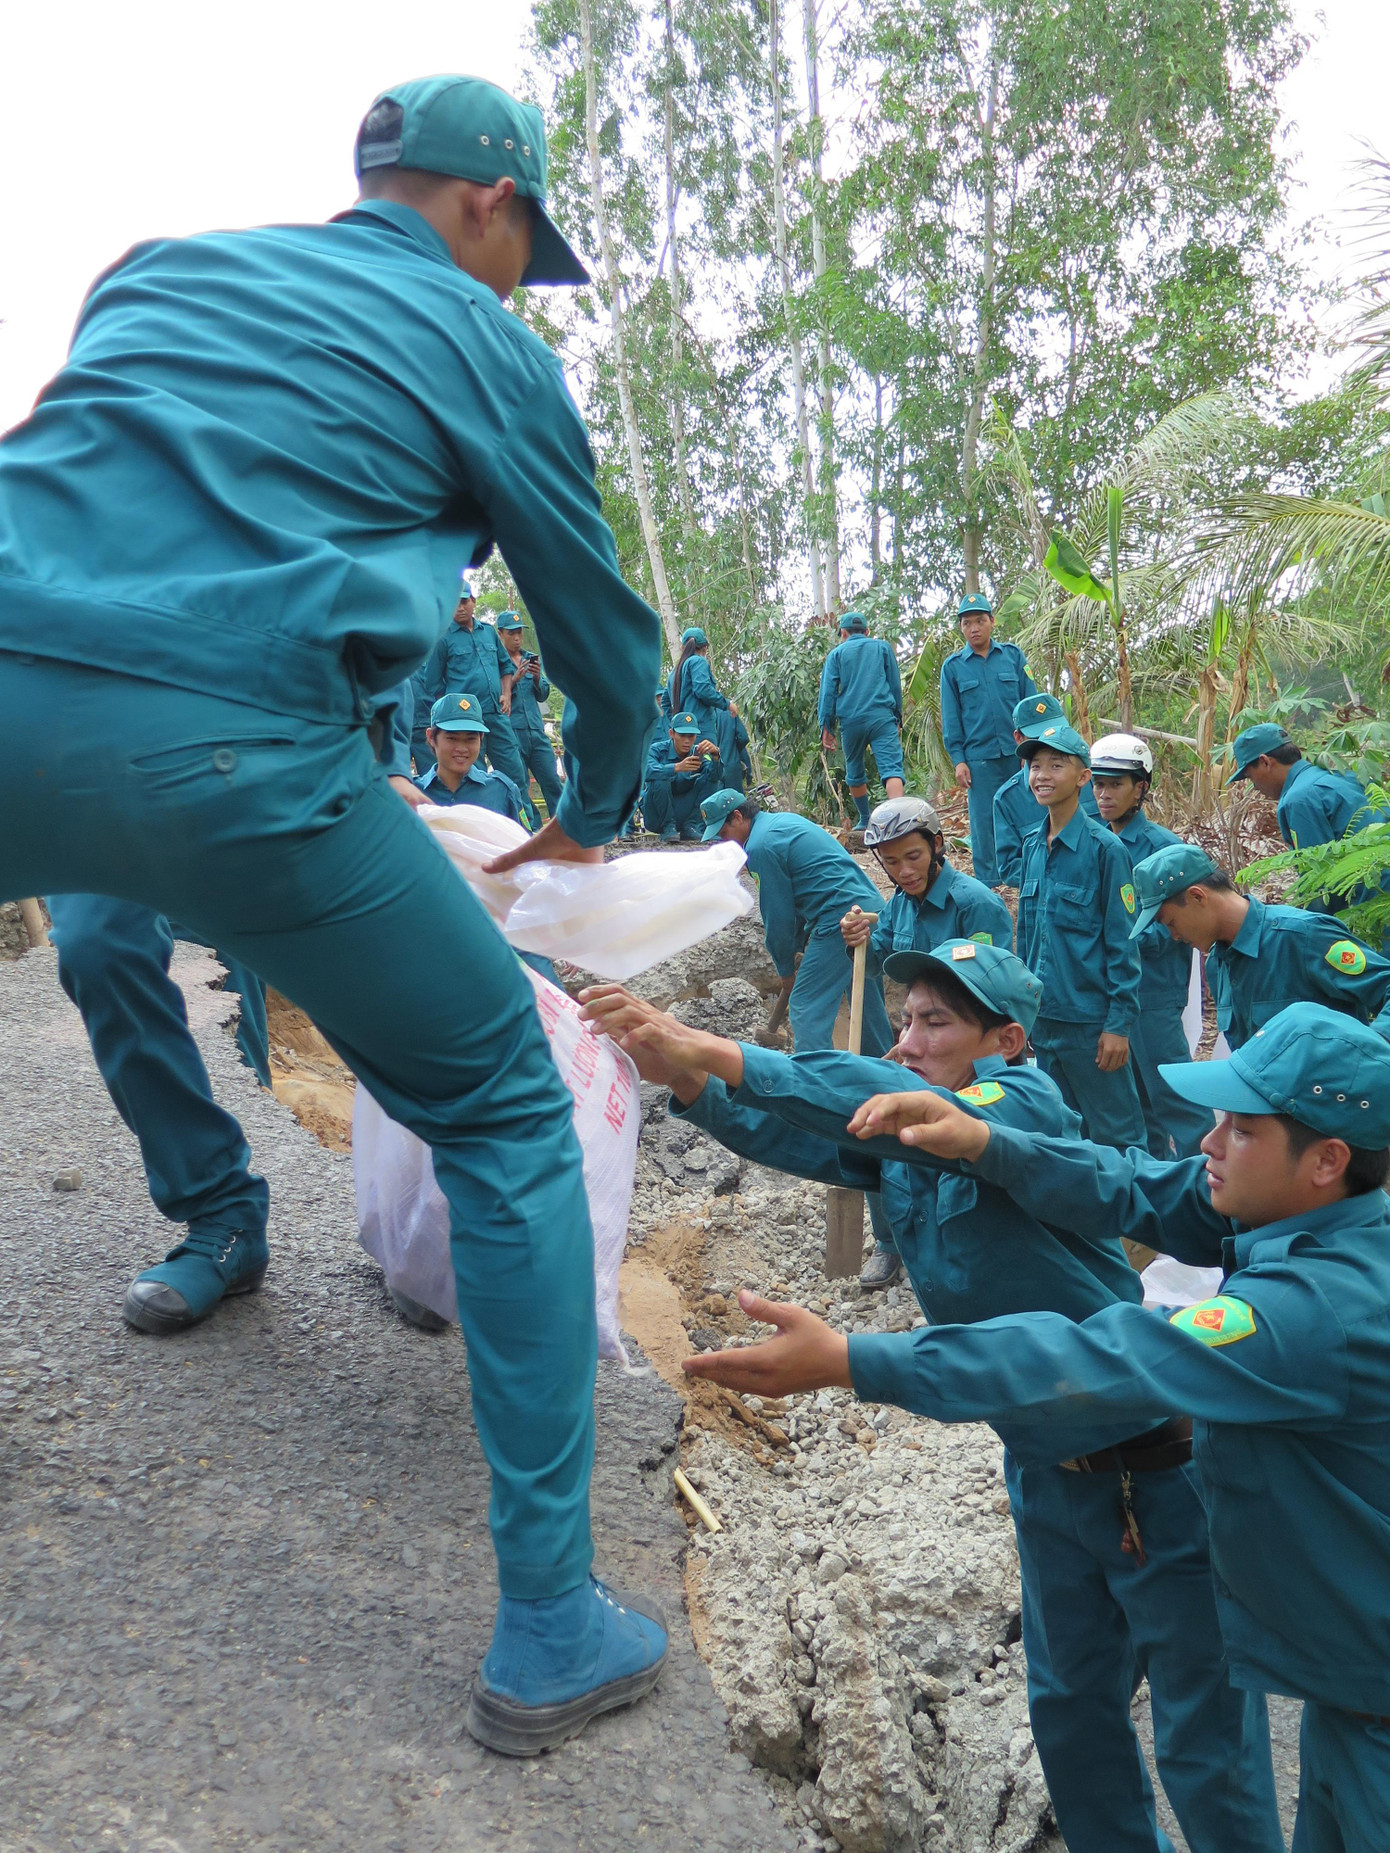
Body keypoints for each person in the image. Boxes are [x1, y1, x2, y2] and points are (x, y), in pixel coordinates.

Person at [0, 74, 669, 1752]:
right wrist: (587, 817)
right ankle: (547, 1626)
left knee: (96, 927)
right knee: (508, 1110)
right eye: (527, 249)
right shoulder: (487, 338)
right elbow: (604, 645)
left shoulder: (153, 268)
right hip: (233, 733)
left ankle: (218, 1211)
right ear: (488, 207)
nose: (521, 282)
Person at [579, 954, 1283, 1853]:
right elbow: (805, 1136)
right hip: (1045, 1475)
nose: (909, 1043)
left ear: (1007, 1042)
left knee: (1205, 1747)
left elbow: (880, 1097)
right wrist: (692, 1080)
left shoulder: (1020, 1107)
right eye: (904, 1022)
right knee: (1071, 1715)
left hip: (1154, 1478)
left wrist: (717, 1049)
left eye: (937, 1024)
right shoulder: (907, 1151)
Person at [693, 1002, 1390, 1853]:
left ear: (1327, 1161)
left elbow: (1105, 1355)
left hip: (1366, 1701)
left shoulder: (1319, 1305)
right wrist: (982, 1146)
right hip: (1340, 1688)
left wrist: (854, 1360)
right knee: (1071, 1712)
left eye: (1240, 1129)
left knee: (1207, 1754)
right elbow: (1128, 1182)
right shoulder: (1280, 1216)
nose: (1208, 1143)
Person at [842, 795, 1013, 1286]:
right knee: (885, 1134)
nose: (903, 871)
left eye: (913, 857)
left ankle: (971, 1244)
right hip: (920, 1046)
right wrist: (860, 942)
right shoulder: (897, 906)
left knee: (965, 1143)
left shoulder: (974, 903)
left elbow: (991, 991)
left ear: (937, 845)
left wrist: (943, 1047)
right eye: (890, 862)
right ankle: (892, 1241)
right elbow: (882, 964)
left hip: (972, 1053)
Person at [1016, 722, 1147, 1147]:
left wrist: (1119, 1026)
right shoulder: (1032, 847)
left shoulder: (1105, 850)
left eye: (1056, 765)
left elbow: (1123, 945)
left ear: (1083, 777)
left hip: (1091, 1025)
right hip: (1045, 1022)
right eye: (1036, 766)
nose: (1042, 775)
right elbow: (1027, 937)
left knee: (1119, 1134)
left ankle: (1143, 1211)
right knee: (1062, 1136)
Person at [1129, 842, 1390, 1049]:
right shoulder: (1217, 964)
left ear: (1198, 896)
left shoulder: (1302, 937)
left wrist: (1372, 1054)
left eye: (1171, 922)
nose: (1173, 936)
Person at [1089, 734, 1211, 1159]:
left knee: (1176, 1102)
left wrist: (1116, 941)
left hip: (1153, 996)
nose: (1104, 794)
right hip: (1112, 997)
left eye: (1115, 784)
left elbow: (1180, 926)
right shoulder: (1096, 842)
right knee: (1136, 1108)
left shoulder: (1165, 849)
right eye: (1098, 784)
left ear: (1140, 787)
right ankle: (1160, 1195)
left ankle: (1208, 1198)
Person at [701, 790, 894, 1056]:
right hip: (869, 908)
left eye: (722, 833)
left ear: (737, 816)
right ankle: (881, 1072)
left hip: (841, 918)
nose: (723, 842)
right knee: (866, 1004)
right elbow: (801, 895)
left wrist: (785, 969)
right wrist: (802, 942)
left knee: (806, 1007)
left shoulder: (760, 845)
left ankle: (816, 1085)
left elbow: (778, 915)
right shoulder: (781, 822)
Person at [1227, 721, 1389, 919]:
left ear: (1265, 762)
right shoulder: (1341, 774)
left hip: (1374, 903)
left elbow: (1319, 882)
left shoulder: (1298, 800)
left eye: (1250, 777)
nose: (1255, 787)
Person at [940, 593, 1037, 886]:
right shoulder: (953, 667)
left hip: (1018, 755)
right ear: (961, 628)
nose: (974, 628)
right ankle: (989, 885)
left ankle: (1029, 875)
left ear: (992, 622)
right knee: (984, 825)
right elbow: (951, 718)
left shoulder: (1013, 656)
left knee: (1029, 813)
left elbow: (1029, 704)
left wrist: (1032, 747)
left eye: (980, 621)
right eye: (967, 623)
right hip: (978, 759)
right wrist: (958, 761)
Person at [993, 692, 1098, 889]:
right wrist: (1059, 871)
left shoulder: (1090, 779)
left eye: (1055, 733)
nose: (1048, 742)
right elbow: (1009, 866)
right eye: (1037, 736)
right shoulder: (1007, 800)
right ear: (1018, 737)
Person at [818, 612, 905, 831]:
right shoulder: (882, 648)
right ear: (867, 632)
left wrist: (826, 726)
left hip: (851, 721)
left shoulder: (836, 654)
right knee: (891, 769)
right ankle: (898, 821)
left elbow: (828, 693)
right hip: (881, 717)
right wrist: (897, 716)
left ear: (843, 633)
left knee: (854, 769)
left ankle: (865, 820)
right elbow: (895, 685)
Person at [415, 693, 528, 821]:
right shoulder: (413, 794)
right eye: (452, 738)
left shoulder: (501, 791)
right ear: (431, 737)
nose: (462, 749)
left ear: (481, 739)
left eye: (470, 739)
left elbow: (522, 839)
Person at [497, 610, 563, 821]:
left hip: (535, 729)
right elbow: (494, 694)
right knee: (520, 784)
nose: (517, 638)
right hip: (511, 730)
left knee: (552, 780)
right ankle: (531, 827)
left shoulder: (528, 658)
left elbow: (543, 694)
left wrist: (536, 678)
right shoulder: (496, 663)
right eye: (511, 633)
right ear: (500, 634)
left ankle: (561, 827)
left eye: (519, 633)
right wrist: (513, 680)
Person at [666, 626, 747, 791]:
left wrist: (678, 728)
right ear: (704, 648)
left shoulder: (674, 673)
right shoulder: (697, 661)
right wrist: (726, 704)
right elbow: (702, 689)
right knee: (710, 778)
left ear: (683, 647)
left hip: (681, 737)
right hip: (701, 731)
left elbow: (666, 705)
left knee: (689, 778)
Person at [641, 711, 723, 842]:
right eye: (682, 735)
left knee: (711, 780)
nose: (687, 741)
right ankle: (668, 827)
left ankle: (691, 826)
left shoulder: (698, 753)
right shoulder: (656, 750)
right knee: (659, 779)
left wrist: (716, 757)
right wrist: (676, 767)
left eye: (691, 736)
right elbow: (645, 772)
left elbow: (715, 776)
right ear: (671, 734)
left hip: (683, 809)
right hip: (657, 815)